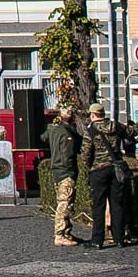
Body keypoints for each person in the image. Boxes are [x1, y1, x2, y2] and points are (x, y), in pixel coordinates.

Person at [80, 103, 129, 250]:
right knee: (117, 204)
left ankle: (97, 240)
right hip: (116, 169)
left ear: (92, 115)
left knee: (98, 205)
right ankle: (119, 238)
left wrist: (89, 167)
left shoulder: (91, 130)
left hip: (99, 170)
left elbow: (86, 153)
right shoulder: (116, 126)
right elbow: (132, 132)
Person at [45, 105, 82, 246]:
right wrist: (71, 171)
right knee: (65, 203)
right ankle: (60, 234)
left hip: (56, 169)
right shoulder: (67, 134)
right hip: (65, 171)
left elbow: (43, 137)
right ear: (72, 118)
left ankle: (66, 232)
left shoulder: (53, 129)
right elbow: (68, 154)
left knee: (64, 202)